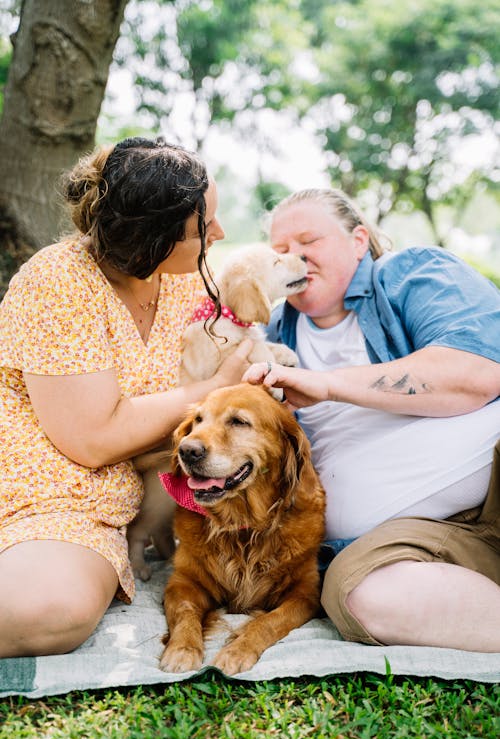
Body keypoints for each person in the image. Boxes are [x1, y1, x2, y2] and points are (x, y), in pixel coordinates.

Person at [0, 136, 253, 658]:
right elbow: (91, 440)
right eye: (204, 228)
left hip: (107, 503)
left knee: (50, 610)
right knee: (51, 610)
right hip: (39, 494)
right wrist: (212, 388)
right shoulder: (57, 281)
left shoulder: (183, 283)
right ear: (151, 239)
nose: (221, 235)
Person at [243, 187, 500, 652]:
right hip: (425, 534)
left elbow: (478, 373)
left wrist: (328, 383)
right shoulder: (274, 332)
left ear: (358, 240)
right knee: (361, 594)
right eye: (280, 252)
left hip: (493, 481)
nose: (294, 257)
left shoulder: (412, 273)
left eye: (308, 241)